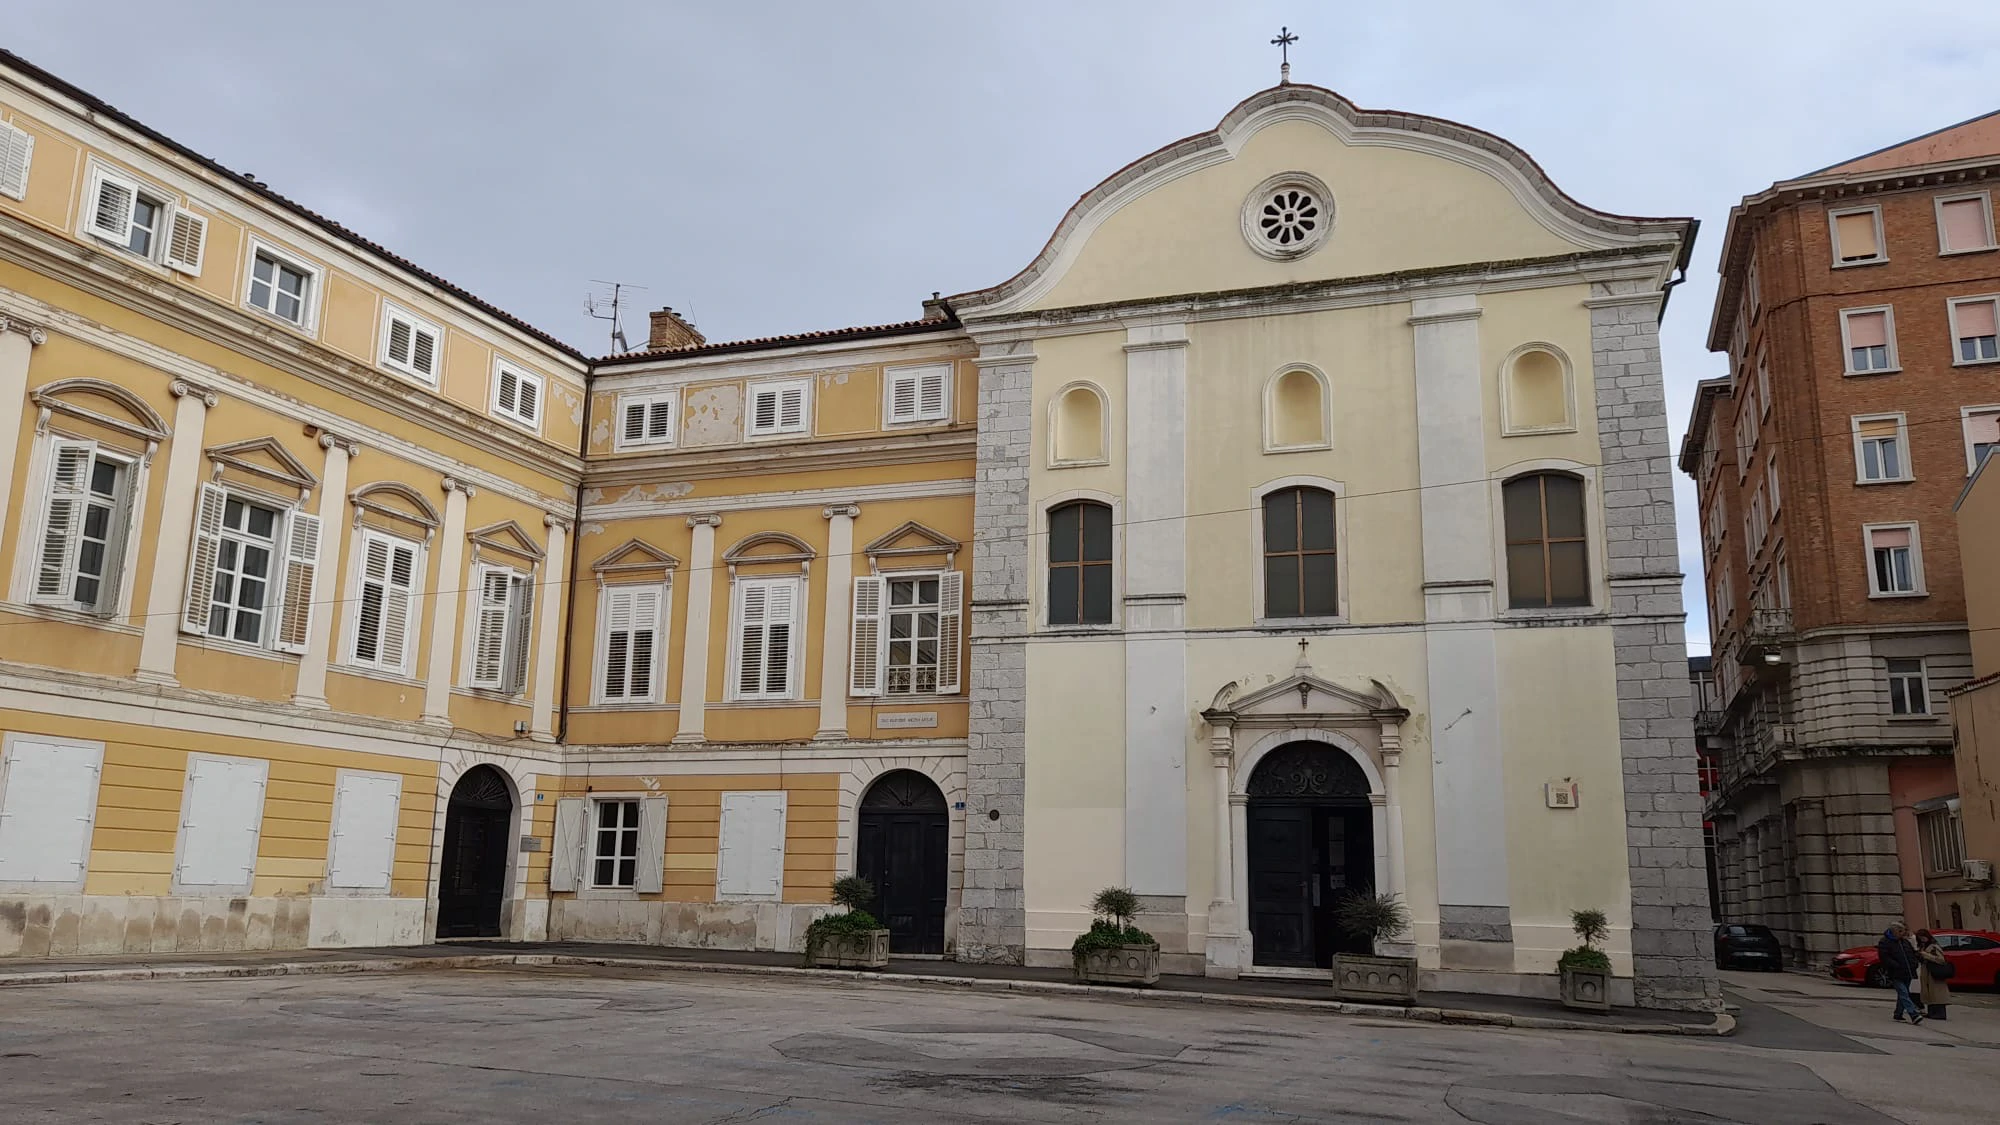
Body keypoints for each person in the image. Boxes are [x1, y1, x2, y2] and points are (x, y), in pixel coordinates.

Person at [1877, 923, 1923, 1025]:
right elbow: (1884, 958)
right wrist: (1895, 965)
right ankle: (1913, 1014)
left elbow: (1911, 953)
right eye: (1901, 931)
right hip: (1895, 972)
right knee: (1904, 993)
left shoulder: (1904, 942)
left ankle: (1898, 1014)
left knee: (1903, 994)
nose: (1903, 933)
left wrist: (1914, 963)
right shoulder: (1885, 942)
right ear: (1895, 931)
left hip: (1908, 971)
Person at [1916, 929, 1951, 1021]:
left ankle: (1940, 1013)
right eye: (1920, 938)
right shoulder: (1923, 946)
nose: (1922, 940)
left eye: (1923, 937)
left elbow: (1941, 960)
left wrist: (1926, 955)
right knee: (1929, 993)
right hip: (1926, 972)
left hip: (1934, 972)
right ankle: (1932, 1012)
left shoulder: (1934, 946)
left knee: (1937, 993)